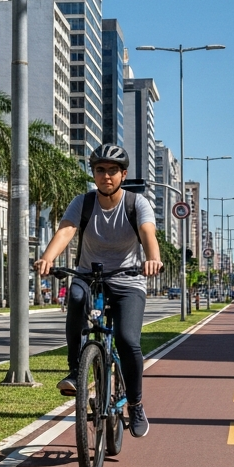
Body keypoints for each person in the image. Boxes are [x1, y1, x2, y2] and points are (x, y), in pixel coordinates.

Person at [35, 144, 162, 439]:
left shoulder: (136, 204)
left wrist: (153, 258)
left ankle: (135, 403)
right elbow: (66, 230)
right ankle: (74, 369)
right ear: (93, 173)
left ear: (123, 174)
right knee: (77, 298)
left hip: (128, 279)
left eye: (113, 171)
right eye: (100, 170)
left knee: (128, 339)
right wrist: (48, 257)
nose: (107, 176)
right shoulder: (84, 202)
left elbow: (147, 233)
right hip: (89, 276)